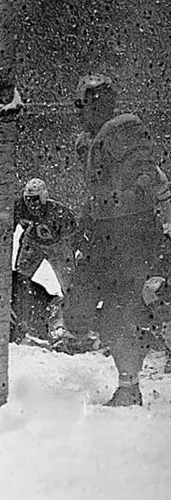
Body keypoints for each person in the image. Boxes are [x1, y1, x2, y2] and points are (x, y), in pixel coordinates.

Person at [59, 73, 171, 405]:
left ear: (102, 104)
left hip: (130, 235)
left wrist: (137, 188)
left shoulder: (123, 129)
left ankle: (130, 384)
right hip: (102, 235)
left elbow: (144, 171)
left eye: (85, 105)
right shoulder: (88, 141)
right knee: (77, 312)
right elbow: (97, 192)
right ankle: (147, 324)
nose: (80, 113)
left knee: (117, 312)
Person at [13, 177, 82, 296]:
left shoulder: (58, 211)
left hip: (57, 247)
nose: (31, 204)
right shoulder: (20, 208)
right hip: (33, 244)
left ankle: (73, 309)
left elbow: (73, 233)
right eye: (27, 199)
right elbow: (9, 226)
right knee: (20, 278)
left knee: (70, 285)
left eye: (35, 199)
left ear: (44, 197)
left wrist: (74, 251)